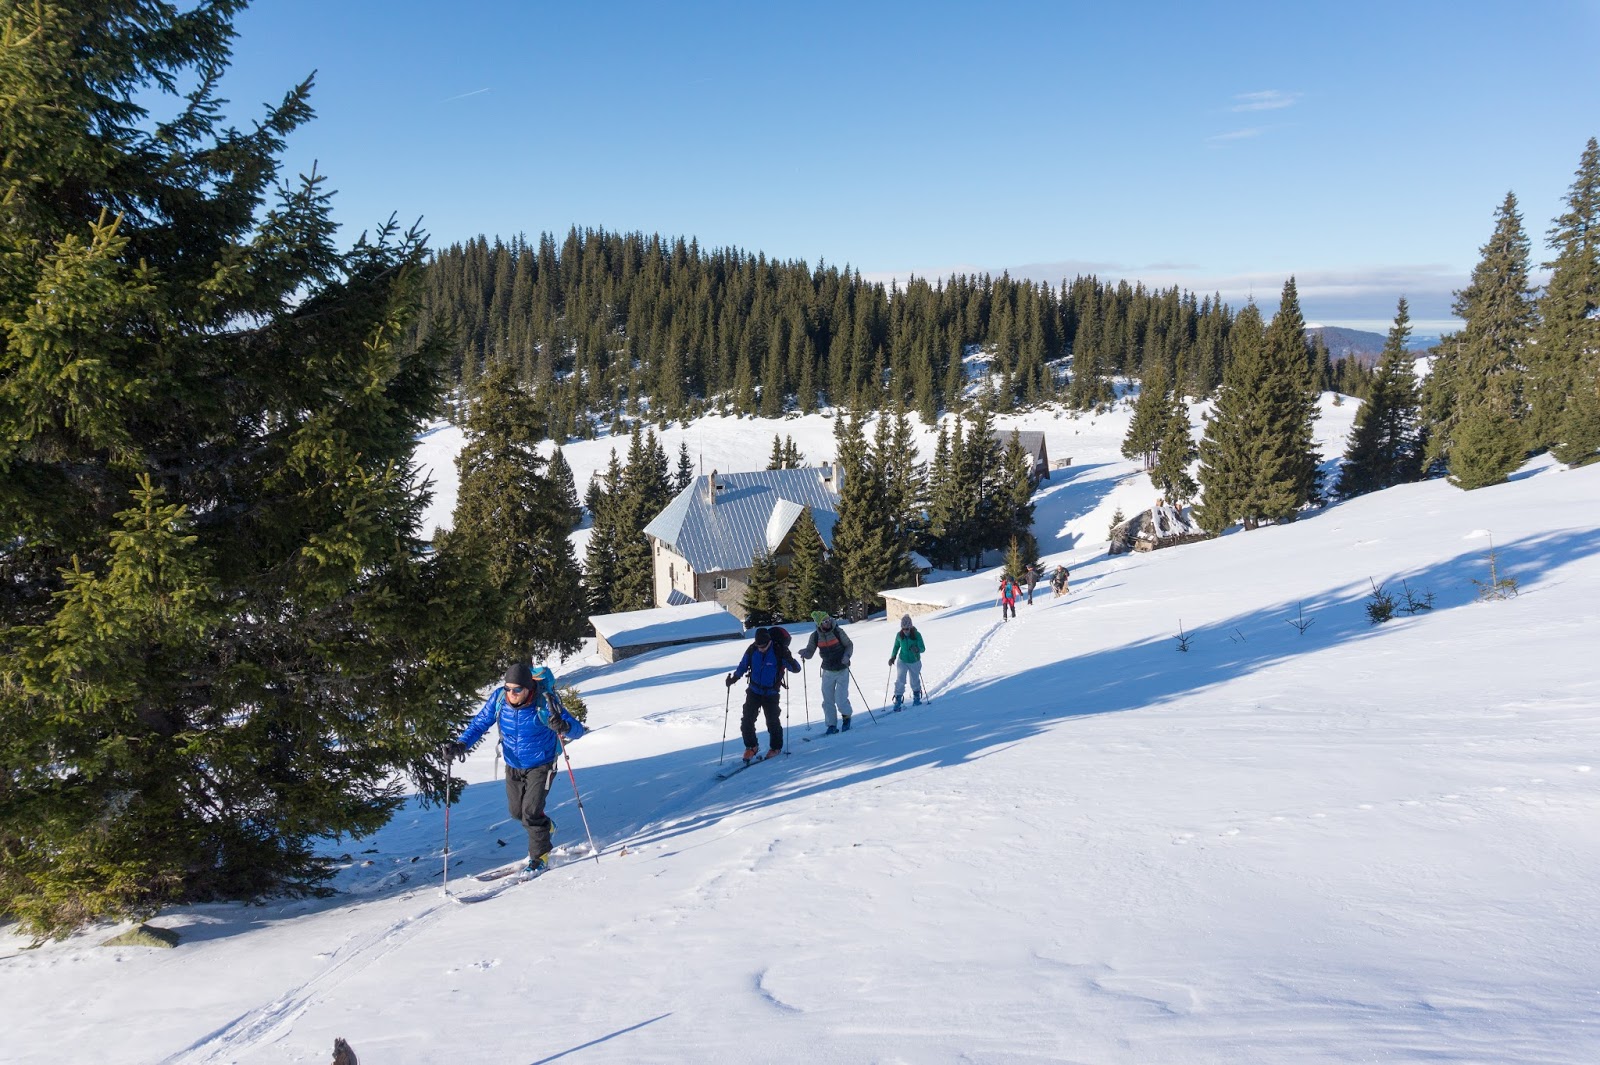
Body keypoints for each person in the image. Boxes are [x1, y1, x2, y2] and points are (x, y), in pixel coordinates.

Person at [447, 663, 586, 874]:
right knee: (516, 812)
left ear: (528, 688)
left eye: (517, 689)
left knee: (530, 812)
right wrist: (461, 744)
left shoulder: (545, 703)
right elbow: (479, 724)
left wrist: (564, 726)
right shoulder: (499, 699)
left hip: (542, 764)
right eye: (508, 688)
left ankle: (539, 857)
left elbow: (578, 730)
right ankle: (545, 826)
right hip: (513, 764)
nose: (511, 693)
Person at [726, 627, 800, 761]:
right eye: (759, 646)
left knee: (772, 721)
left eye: (763, 646)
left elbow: (796, 669)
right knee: (747, 720)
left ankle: (776, 747)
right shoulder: (752, 649)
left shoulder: (779, 651)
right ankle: (751, 747)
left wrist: (788, 658)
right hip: (754, 690)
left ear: (769, 641)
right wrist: (734, 678)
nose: (761, 649)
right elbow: (743, 665)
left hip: (771, 692)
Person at [799, 610, 855, 734]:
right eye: (824, 621)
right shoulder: (815, 636)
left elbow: (849, 645)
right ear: (819, 624)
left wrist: (847, 656)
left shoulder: (838, 632)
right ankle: (831, 725)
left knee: (840, 699)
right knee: (828, 700)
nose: (828, 622)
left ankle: (846, 717)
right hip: (827, 671)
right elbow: (810, 651)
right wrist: (805, 653)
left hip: (842, 669)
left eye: (828, 619)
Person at [887, 614, 926, 711]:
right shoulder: (899, 635)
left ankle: (916, 698)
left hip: (914, 660)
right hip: (902, 660)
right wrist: (893, 657)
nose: (905, 631)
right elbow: (896, 646)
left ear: (910, 627)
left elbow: (923, 648)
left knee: (914, 680)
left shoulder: (917, 635)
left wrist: (916, 649)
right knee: (900, 680)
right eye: (903, 629)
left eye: (907, 629)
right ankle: (898, 701)